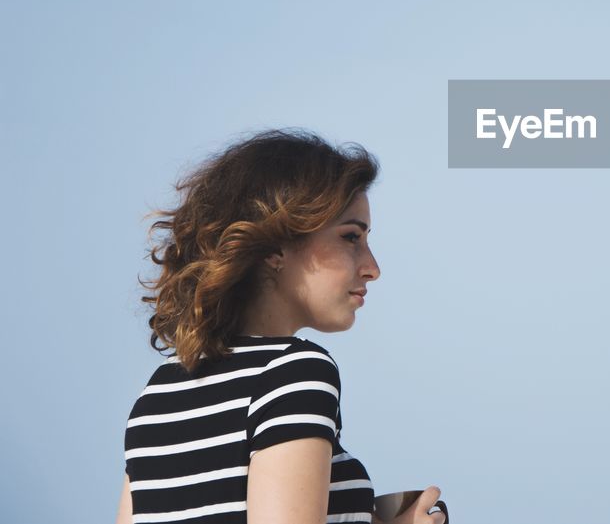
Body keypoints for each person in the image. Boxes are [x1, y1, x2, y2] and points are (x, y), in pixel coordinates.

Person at [116, 128, 448, 524]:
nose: (372, 268)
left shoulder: (158, 394)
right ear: (275, 248)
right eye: (351, 237)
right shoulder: (295, 372)